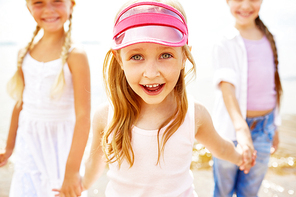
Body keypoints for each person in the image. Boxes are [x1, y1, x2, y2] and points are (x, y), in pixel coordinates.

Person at [55, 0, 251, 196]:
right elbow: (94, 165)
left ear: (184, 56)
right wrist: (79, 186)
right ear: (119, 59)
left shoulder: (193, 114)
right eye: (137, 57)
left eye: (165, 55)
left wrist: (241, 156)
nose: (151, 73)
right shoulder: (106, 116)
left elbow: (221, 148)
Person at [0, 0, 91, 196]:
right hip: (29, 143)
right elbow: (20, 103)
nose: (49, 10)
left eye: (57, 1)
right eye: (39, 2)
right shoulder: (24, 52)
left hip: (61, 148)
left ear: (71, 4)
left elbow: (83, 117)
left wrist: (72, 172)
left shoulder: (75, 55)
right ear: (28, 7)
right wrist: (9, 148)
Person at [211, 0, 283, 196]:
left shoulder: (271, 38)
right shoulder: (225, 40)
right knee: (223, 190)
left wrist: (274, 125)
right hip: (231, 130)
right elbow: (227, 87)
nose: (245, 5)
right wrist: (241, 128)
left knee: (250, 190)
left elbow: (273, 85)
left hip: (264, 129)